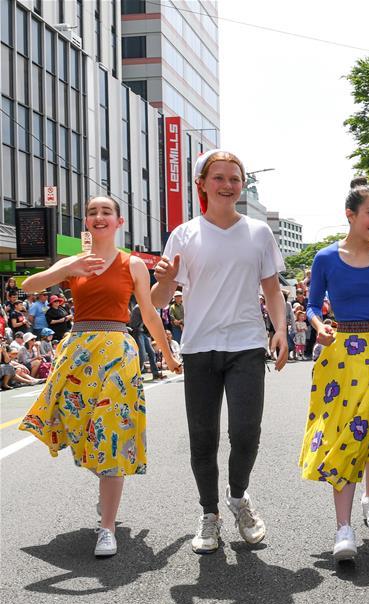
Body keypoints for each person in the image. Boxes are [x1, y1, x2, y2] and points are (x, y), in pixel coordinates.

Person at [17, 195, 180, 557]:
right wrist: (68, 267)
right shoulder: (73, 263)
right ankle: (106, 487)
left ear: (119, 222)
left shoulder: (133, 264)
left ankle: (107, 526)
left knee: (111, 433)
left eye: (107, 212)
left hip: (117, 353)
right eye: (92, 212)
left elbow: (150, 315)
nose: (99, 216)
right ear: (86, 222)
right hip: (76, 351)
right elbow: (27, 287)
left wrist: (167, 354)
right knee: (76, 428)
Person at [151, 149, 288, 554]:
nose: (228, 185)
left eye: (234, 178)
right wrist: (165, 279)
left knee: (246, 433)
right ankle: (209, 513)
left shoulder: (258, 232)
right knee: (203, 438)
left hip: (246, 345)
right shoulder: (184, 234)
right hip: (199, 348)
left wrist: (279, 330)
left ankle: (239, 496)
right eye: (220, 178)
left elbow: (272, 289)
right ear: (202, 185)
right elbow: (161, 297)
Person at [299, 177, 369, 561]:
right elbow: (312, 305)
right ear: (351, 214)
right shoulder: (326, 258)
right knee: (342, 432)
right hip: (339, 353)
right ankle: (343, 527)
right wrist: (318, 326)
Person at [129, 302, 164, 380]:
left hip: (142, 332)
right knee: (142, 355)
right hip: (137, 332)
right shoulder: (139, 307)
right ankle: (137, 375)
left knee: (151, 353)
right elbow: (149, 319)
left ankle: (155, 373)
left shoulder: (145, 306)